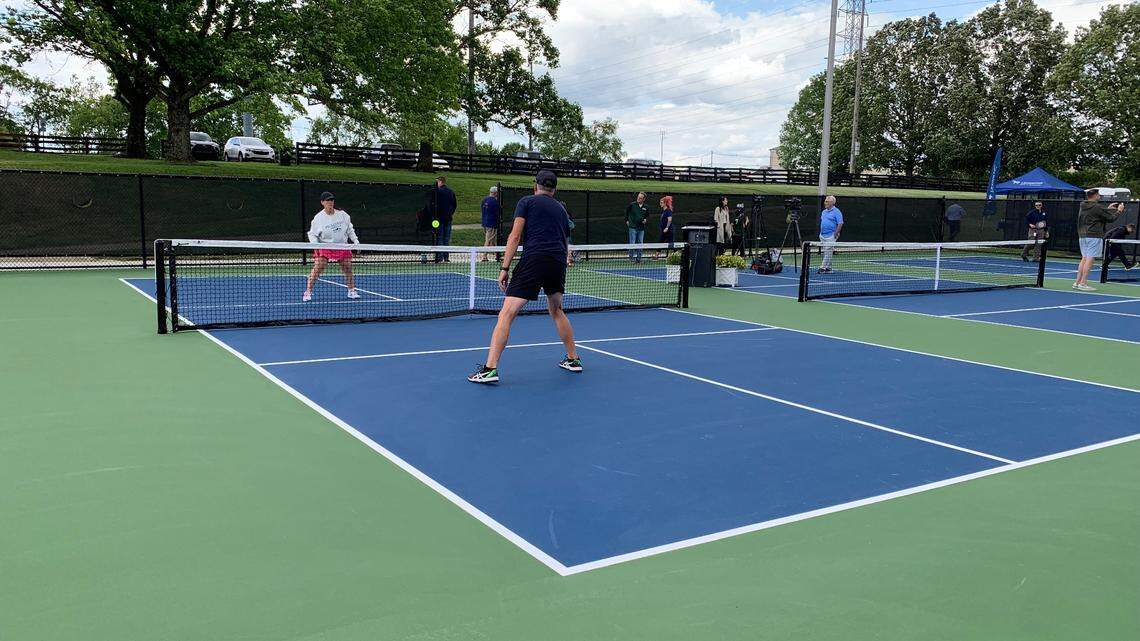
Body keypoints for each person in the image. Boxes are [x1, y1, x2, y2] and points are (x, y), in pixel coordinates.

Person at [468, 170, 580, 384]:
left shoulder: (526, 202)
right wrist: (564, 260)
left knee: (507, 313)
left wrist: (504, 267)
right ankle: (573, 359)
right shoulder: (561, 209)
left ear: (535, 185)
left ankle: (490, 369)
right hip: (557, 260)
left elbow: (515, 236)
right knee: (556, 309)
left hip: (535, 259)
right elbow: (565, 241)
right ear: (554, 189)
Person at [303, 191, 360, 302]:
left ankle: (351, 291)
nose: (330, 202)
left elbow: (350, 230)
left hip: (341, 245)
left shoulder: (343, 215)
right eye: (327, 200)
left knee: (347, 267)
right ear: (322, 202)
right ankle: (308, 291)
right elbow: (312, 233)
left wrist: (355, 241)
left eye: (332, 200)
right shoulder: (318, 218)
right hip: (325, 245)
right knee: (319, 267)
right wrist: (315, 245)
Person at [1073, 189, 1125, 291]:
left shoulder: (1084, 205)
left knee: (1084, 258)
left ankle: (1077, 282)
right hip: (1093, 236)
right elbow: (1110, 219)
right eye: (1099, 195)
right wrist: (1119, 210)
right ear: (1095, 195)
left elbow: (1097, 214)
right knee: (1090, 259)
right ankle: (1083, 283)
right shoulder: (1096, 207)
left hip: (1083, 235)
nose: (1099, 196)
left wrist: (1108, 209)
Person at [433, 175, 457, 263]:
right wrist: (450, 213)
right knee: (446, 238)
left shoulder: (437, 192)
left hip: (439, 219)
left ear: (440, 181)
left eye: (437, 182)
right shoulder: (451, 192)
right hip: (448, 218)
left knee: (439, 237)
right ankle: (446, 258)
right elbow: (454, 205)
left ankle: (440, 257)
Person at [818, 195, 844, 273]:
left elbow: (840, 223)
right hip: (822, 235)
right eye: (825, 201)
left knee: (828, 251)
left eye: (827, 201)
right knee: (826, 252)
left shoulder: (837, 211)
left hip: (831, 235)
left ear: (832, 203)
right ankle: (829, 268)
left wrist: (836, 233)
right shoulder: (824, 212)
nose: (825, 203)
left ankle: (822, 268)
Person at [625, 192, 649, 262]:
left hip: (641, 228)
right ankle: (631, 258)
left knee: (640, 243)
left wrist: (645, 220)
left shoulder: (646, 207)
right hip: (632, 227)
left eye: (640, 198)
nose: (638, 199)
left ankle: (638, 259)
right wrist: (626, 220)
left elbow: (647, 216)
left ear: (644, 199)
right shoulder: (632, 205)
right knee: (632, 243)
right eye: (638, 197)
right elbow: (626, 213)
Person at [480, 185, 501, 261]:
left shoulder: (484, 200)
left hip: (485, 222)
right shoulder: (495, 202)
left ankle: (497, 254)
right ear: (495, 193)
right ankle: (484, 256)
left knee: (492, 240)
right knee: (488, 240)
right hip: (491, 223)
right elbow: (497, 213)